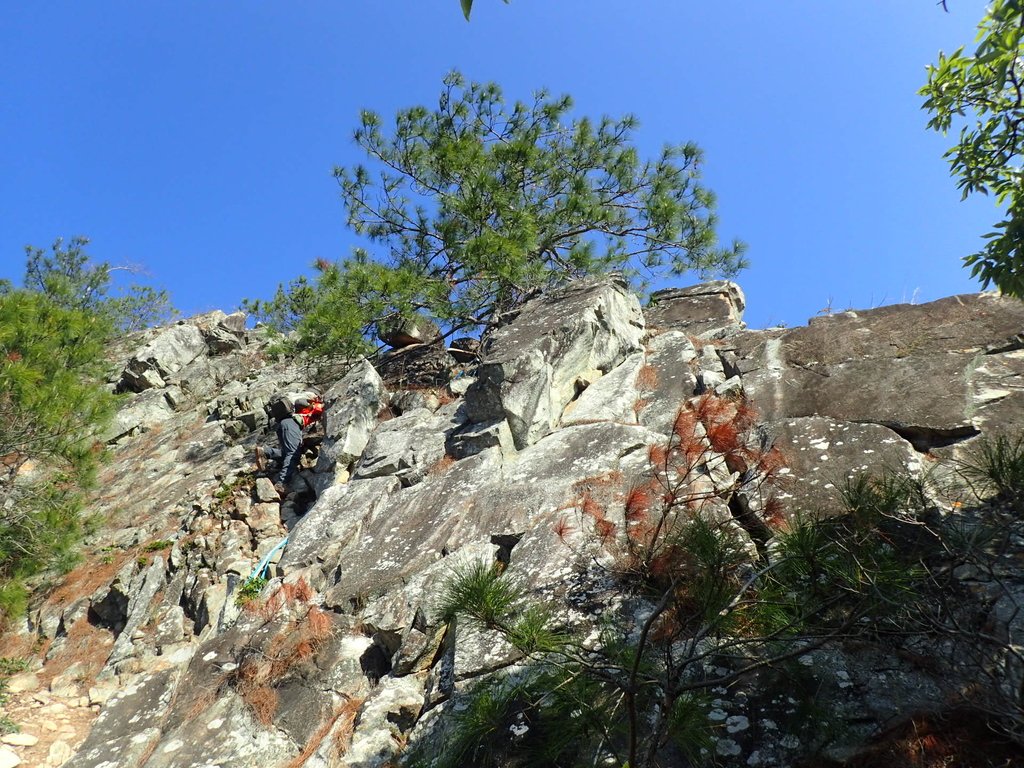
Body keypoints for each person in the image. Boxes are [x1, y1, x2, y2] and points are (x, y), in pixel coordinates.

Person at [255, 396, 324, 495]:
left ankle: (266, 452)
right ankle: (282, 483)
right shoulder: (310, 410)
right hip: (292, 426)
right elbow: (319, 409)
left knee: (287, 454)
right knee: (293, 454)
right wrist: (321, 403)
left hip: (284, 425)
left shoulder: (297, 413)